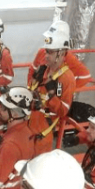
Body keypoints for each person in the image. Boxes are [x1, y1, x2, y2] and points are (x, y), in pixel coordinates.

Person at [27, 20, 76, 154]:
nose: (46, 55)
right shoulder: (45, 68)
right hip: (30, 124)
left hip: (42, 133)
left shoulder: (67, 78)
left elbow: (63, 111)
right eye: (46, 51)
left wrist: (51, 95)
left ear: (60, 53)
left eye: (49, 52)